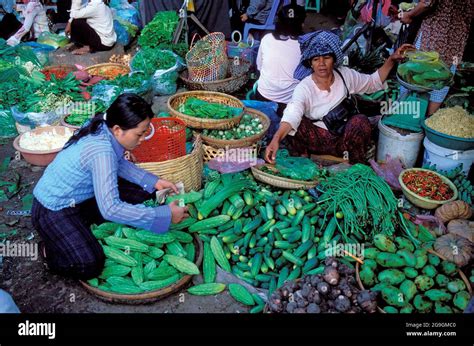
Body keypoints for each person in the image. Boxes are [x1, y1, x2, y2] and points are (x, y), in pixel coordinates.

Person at [32, 94, 189, 280]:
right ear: (117, 130)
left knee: (145, 195)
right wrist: (165, 215)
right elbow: (111, 209)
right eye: (140, 134)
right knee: (89, 264)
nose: (143, 139)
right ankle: (49, 250)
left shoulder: (103, 126)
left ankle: (81, 226)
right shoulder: (101, 151)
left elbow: (117, 163)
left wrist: (153, 181)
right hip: (52, 208)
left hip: (82, 198)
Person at [264, 30, 412, 164]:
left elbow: (373, 82)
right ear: (310, 63)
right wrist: (275, 139)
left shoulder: (345, 75)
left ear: (334, 60)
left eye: (326, 58)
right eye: (316, 59)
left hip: (344, 140)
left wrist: (391, 59)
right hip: (317, 141)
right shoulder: (304, 87)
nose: (321, 64)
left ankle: (355, 165)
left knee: (360, 121)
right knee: (294, 123)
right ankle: (303, 160)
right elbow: (292, 113)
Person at [400, 0, 473, 115]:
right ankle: (427, 119)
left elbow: (426, 2)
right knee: (441, 81)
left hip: (432, 35)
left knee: (414, 76)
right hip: (456, 42)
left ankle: (405, 115)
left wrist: (409, 15)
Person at [255, 2, 306, 116]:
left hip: (263, 96)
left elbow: (259, 67)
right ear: (302, 25)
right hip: (290, 103)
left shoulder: (267, 39)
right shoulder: (305, 45)